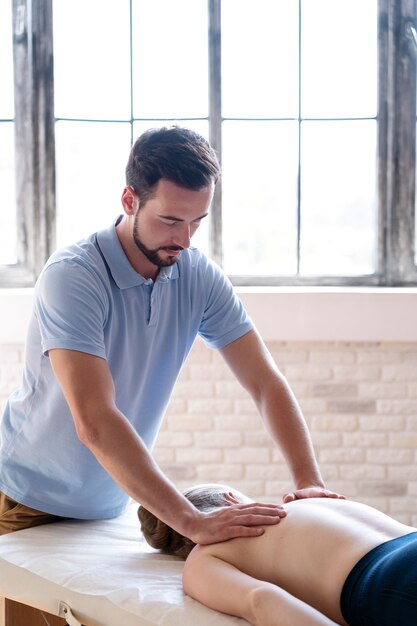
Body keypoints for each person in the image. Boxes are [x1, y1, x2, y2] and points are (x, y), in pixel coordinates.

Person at [0, 126, 341, 540]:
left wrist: (309, 481)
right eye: (169, 220)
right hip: (22, 499)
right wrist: (190, 521)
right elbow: (94, 420)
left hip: (106, 504)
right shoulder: (73, 276)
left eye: (197, 221)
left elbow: (265, 383)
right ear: (130, 200)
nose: (183, 239)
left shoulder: (198, 276)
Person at [139, 483, 417, 626]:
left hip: (386, 584)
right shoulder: (308, 501)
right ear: (229, 499)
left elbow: (262, 602)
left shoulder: (202, 561)